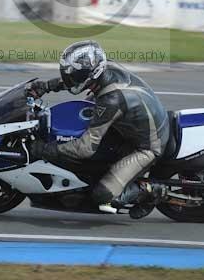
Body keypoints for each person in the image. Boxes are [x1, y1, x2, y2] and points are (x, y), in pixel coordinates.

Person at [27, 40, 170, 219]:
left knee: (102, 196)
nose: (71, 79)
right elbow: (77, 79)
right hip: (129, 127)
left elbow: (85, 148)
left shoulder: (110, 100)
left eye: (76, 76)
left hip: (147, 146)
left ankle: (151, 191)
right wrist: (47, 86)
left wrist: (46, 150)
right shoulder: (104, 68)